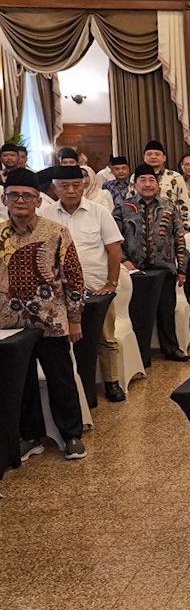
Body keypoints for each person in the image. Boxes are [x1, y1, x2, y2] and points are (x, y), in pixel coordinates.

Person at [2, 169, 87, 460]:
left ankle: (72, 435)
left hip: (51, 320)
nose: (20, 200)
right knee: (21, 382)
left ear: (38, 201)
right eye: (14, 194)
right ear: (5, 199)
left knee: (60, 378)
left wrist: (75, 319)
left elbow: (74, 278)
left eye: (27, 195)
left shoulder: (55, 232)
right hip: (10, 326)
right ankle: (31, 436)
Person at [40, 165, 124, 411]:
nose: (71, 190)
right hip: (59, 292)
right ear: (55, 187)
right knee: (64, 340)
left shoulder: (99, 212)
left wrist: (111, 283)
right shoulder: (45, 214)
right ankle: (76, 387)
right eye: (64, 186)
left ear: (84, 184)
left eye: (76, 185)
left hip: (96, 288)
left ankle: (111, 382)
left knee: (105, 336)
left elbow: (114, 250)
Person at [115, 162, 189, 361]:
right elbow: (114, 239)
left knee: (167, 311)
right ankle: (141, 356)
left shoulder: (169, 206)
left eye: (151, 180)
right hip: (136, 271)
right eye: (143, 180)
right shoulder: (123, 208)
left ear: (157, 184)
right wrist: (124, 260)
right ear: (135, 184)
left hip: (165, 269)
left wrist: (182, 269)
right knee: (140, 316)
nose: (148, 184)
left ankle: (171, 348)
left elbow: (179, 237)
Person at [140, 140, 190, 231]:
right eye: (149, 154)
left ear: (164, 158)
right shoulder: (136, 178)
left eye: (157, 154)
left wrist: (186, 228)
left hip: (171, 228)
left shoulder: (175, 177)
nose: (153, 157)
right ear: (144, 158)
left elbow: (185, 204)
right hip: (143, 228)